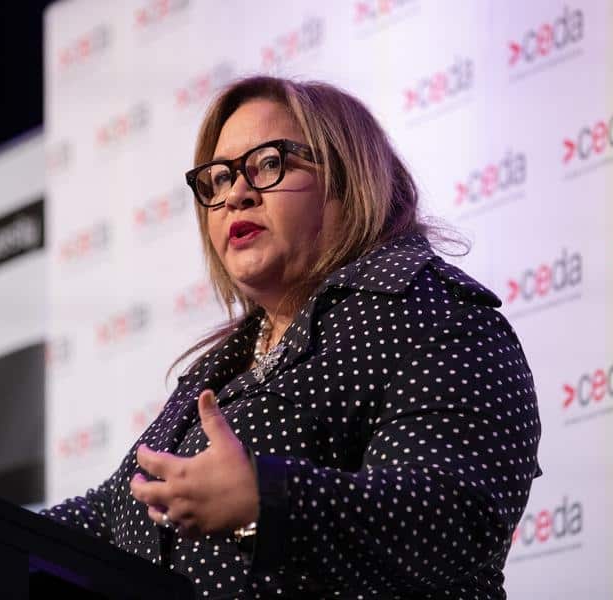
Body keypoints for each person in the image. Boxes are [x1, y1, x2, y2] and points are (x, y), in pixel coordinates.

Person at [42, 76, 542, 599]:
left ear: (349, 178)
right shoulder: (225, 365)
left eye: (268, 163)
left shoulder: (435, 312)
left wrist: (268, 501)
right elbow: (118, 510)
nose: (235, 194)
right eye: (216, 179)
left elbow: (456, 515)